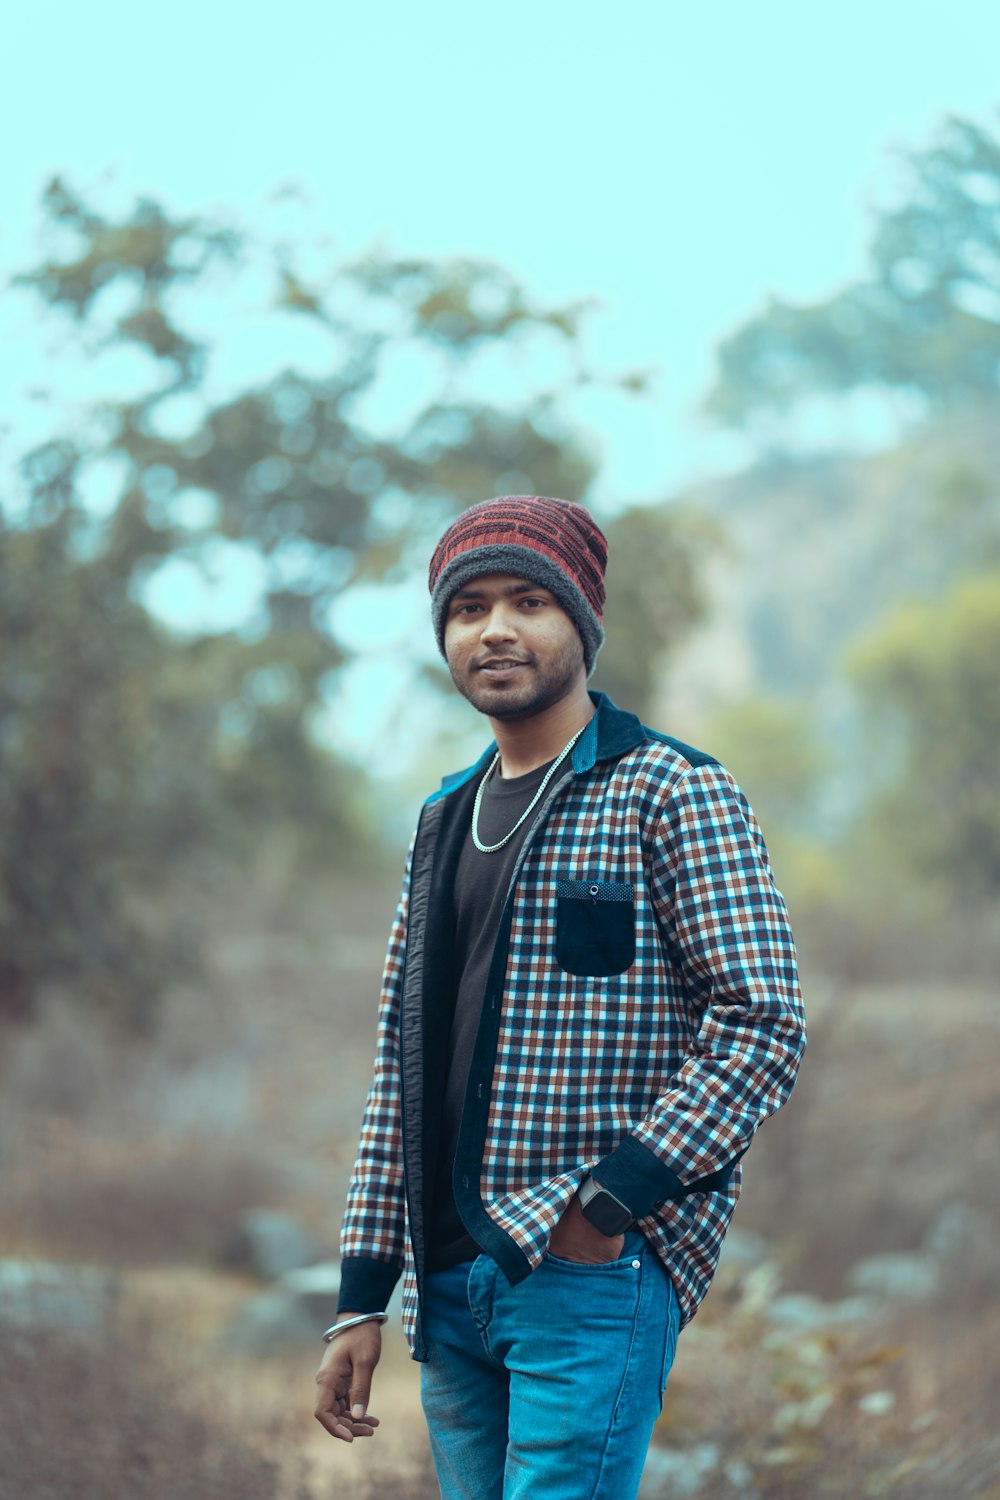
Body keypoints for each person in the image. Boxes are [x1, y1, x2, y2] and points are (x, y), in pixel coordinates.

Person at [314, 495, 806, 1500]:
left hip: (583, 1271)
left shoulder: (670, 791)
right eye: (468, 608)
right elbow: (399, 1064)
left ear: (581, 623)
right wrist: (361, 1292)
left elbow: (761, 1022)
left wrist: (611, 1201)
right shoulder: (441, 817)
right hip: (447, 1284)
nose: (493, 629)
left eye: (528, 602)